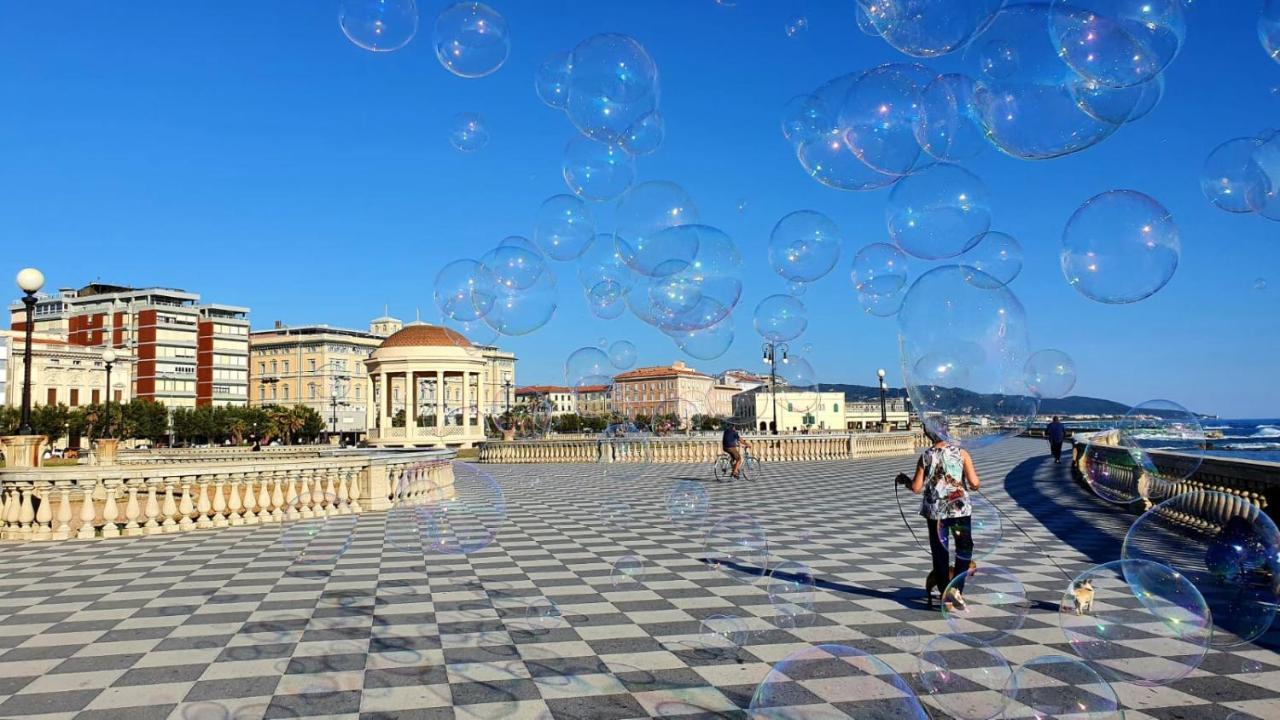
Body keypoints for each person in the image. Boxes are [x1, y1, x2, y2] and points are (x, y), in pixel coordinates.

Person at [898, 423, 982, 609]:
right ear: (946, 432)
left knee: (940, 551)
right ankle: (956, 589)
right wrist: (975, 485)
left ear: (929, 435)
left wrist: (904, 480)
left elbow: (916, 488)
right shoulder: (962, 453)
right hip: (959, 510)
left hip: (936, 512)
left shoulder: (926, 456)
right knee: (964, 548)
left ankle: (946, 592)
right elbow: (974, 482)